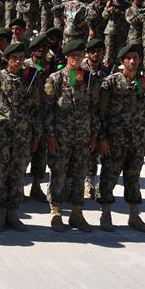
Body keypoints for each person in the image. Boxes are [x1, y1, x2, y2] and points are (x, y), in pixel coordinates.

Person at [0, 42, 41, 232]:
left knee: (17, 175)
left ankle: (13, 212)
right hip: (1, 137)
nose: (18, 61)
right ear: (7, 59)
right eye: (14, 58)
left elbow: (36, 109)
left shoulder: (30, 79)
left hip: (23, 137)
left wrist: (36, 136)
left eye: (21, 58)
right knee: (0, 175)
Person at [43, 39, 99, 232]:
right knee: (58, 174)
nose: (77, 58)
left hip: (82, 138)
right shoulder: (55, 79)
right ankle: (56, 211)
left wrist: (93, 135)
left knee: (79, 175)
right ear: (66, 56)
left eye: (80, 55)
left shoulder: (90, 79)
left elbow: (94, 109)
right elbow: (48, 110)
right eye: (73, 55)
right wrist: (50, 136)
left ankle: (76, 213)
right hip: (61, 138)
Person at [97, 44, 145, 233]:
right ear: (122, 61)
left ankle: (134, 216)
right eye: (128, 58)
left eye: (135, 57)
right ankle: (106, 213)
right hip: (114, 141)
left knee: (133, 178)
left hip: (136, 140)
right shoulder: (110, 83)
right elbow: (101, 113)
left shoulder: (143, 82)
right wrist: (102, 138)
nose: (132, 61)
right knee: (108, 178)